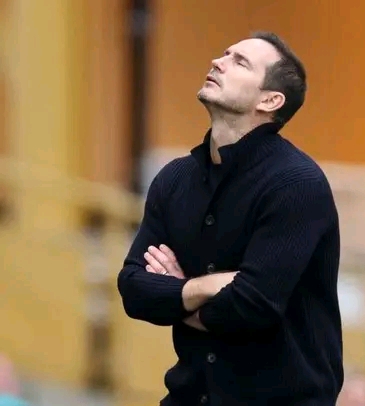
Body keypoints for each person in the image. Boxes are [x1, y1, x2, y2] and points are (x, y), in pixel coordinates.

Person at [117, 31, 343, 406]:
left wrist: (176, 294)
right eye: (225, 54)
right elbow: (134, 290)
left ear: (270, 100)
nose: (217, 62)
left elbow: (253, 306)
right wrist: (202, 288)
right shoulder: (174, 179)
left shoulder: (297, 185)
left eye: (239, 62)